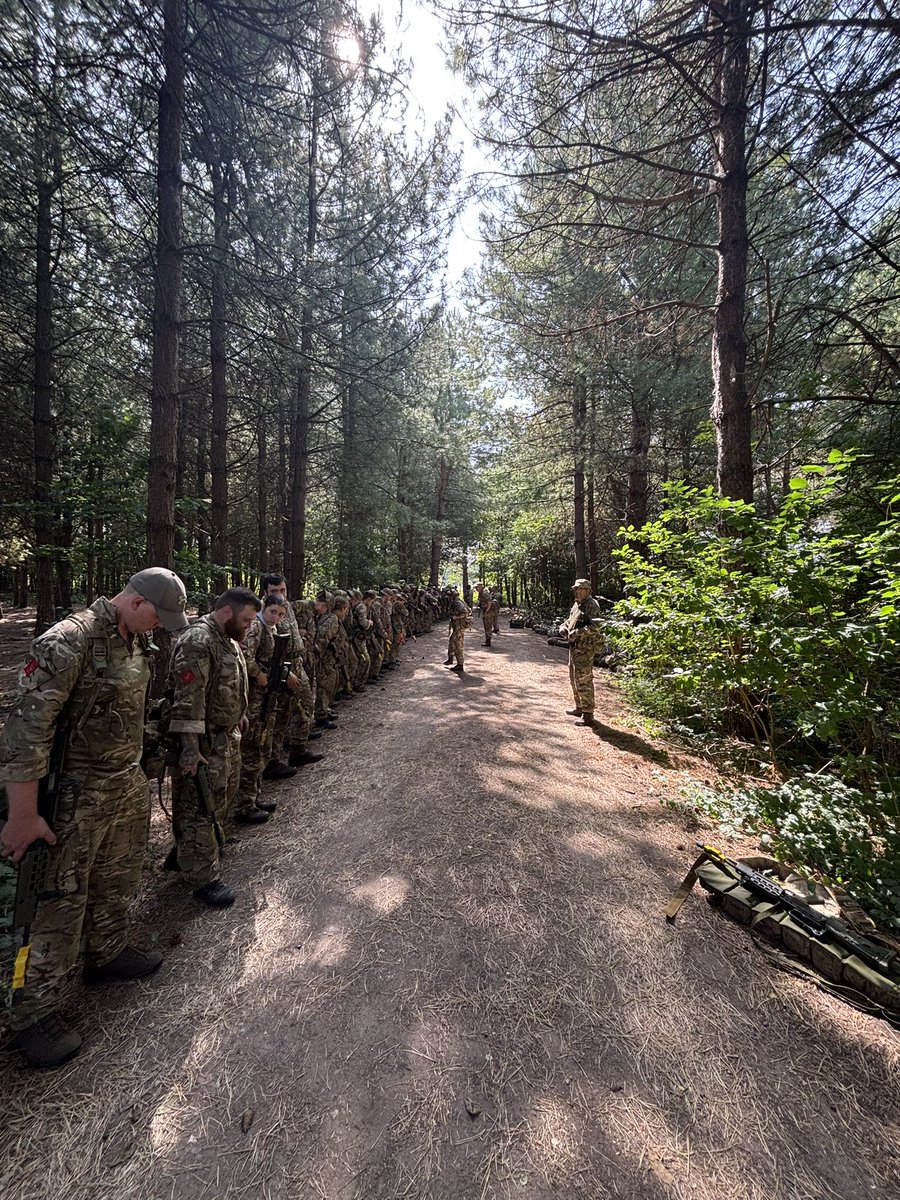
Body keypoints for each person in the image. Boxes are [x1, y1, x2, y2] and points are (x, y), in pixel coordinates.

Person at [0, 567, 188, 1068]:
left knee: (117, 878)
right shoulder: (67, 642)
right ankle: (32, 1015)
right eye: (158, 616)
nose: (159, 628)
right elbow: (25, 735)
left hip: (122, 787)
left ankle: (106, 951)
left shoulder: (135, 642)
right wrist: (23, 815)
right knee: (56, 903)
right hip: (73, 798)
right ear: (134, 601)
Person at [166, 587, 261, 909]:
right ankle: (203, 879)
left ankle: (187, 853)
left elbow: (230, 683)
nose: (250, 625)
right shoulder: (199, 640)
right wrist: (190, 750)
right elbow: (187, 701)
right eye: (247, 620)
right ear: (226, 612)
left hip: (225, 737)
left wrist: (241, 713)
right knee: (201, 807)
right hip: (205, 743)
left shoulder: (226, 638)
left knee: (218, 800)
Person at [235, 594, 288, 819]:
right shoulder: (256, 628)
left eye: (281, 614)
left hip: (265, 696)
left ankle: (254, 796)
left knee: (261, 747)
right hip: (254, 699)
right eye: (272, 612)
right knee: (252, 750)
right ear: (264, 609)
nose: (276, 617)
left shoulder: (271, 630)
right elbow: (244, 656)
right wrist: (257, 674)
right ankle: (244, 804)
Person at [560, 578, 604, 726]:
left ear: (588, 591)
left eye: (580, 589)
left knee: (584, 680)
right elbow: (569, 621)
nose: (577, 591)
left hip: (585, 649)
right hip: (574, 648)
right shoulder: (577, 604)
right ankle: (579, 707)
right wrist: (563, 627)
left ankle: (588, 713)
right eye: (575, 589)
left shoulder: (592, 605)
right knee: (574, 678)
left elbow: (596, 626)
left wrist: (578, 633)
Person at [445, 588, 470, 673]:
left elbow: (465, 612)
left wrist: (456, 617)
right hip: (456, 627)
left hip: (459, 627)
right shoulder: (455, 602)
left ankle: (460, 664)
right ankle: (450, 659)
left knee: (458, 645)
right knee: (452, 642)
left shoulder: (458, 603)